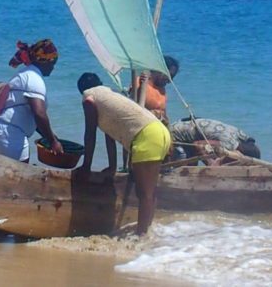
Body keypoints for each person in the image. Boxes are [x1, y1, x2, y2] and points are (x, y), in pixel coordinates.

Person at [77, 72, 172, 235]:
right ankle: (148, 229)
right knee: (149, 191)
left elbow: (90, 134)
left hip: (147, 137)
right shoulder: (108, 97)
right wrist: (112, 167)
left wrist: (86, 167)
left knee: (144, 192)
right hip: (160, 132)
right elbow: (110, 135)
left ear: (82, 90)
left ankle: (141, 235)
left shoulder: (89, 98)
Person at [0, 39, 63, 162]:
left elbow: (32, 116)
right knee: (20, 171)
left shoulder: (26, 74)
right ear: (45, 61)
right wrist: (53, 142)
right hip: (10, 134)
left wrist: (50, 136)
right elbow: (39, 114)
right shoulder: (34, 78)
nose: (53, 67)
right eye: (53, 63)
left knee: (3, 171)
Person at [169, 116, 261, 162]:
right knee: (191, 159)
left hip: (181, 125)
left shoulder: (241, 135)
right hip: (174, 135)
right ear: (241, 152)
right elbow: (198, 144)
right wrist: (210, 164)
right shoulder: (229, 144)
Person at [131, 56, 180, 123]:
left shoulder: (161, 89)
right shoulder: (141, 83)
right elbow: (134, 109)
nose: (170, 81)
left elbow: (164, 113)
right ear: (161, 70)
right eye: (170, 76)